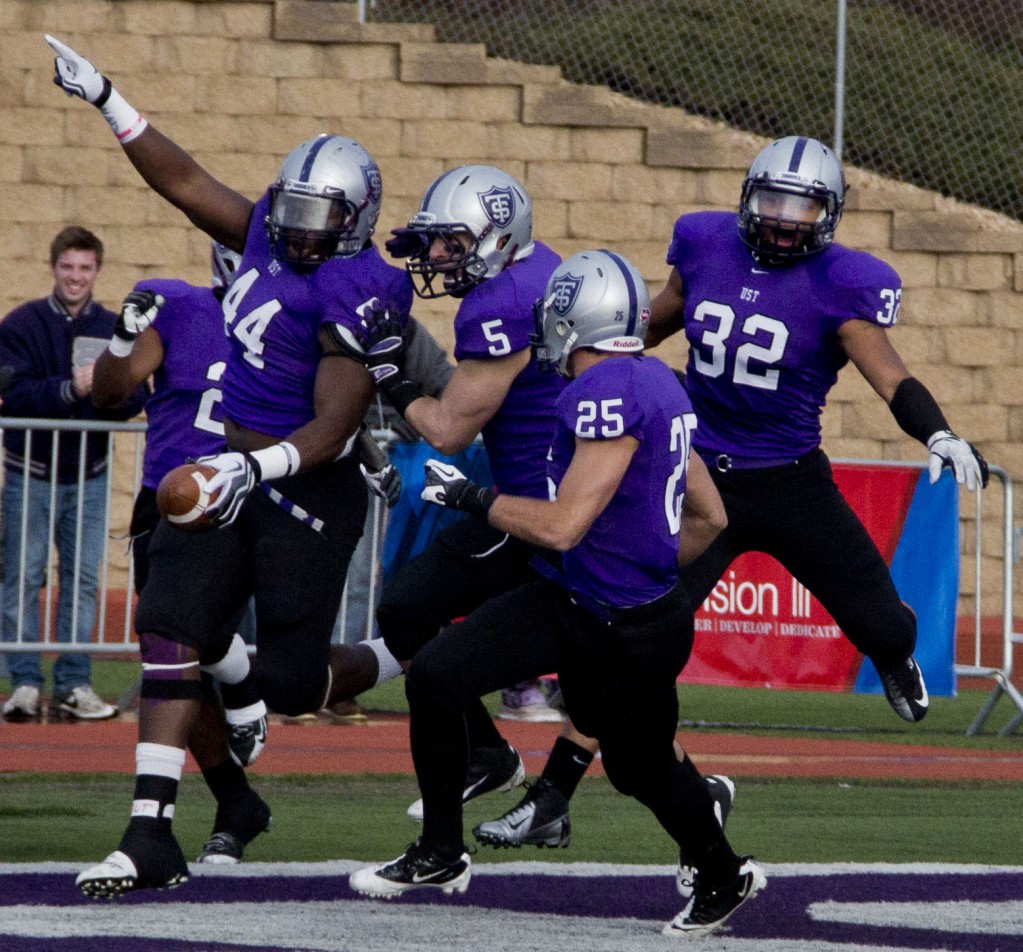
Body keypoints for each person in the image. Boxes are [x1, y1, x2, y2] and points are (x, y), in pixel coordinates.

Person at [476, 135, 990, 853]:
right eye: (771, 201)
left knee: (880, 623)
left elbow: (889, 374)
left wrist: (935, 433)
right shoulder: (703, 241)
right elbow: (647, 326)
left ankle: (893, 651)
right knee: (624, 639)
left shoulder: (845, 281)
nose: (782, 220)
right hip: (695, 477)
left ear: (829, 215)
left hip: (788, 483)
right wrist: (581, 359)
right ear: (747, 196)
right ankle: (552, 795)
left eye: (800, 207)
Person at [46, 35, 406, 897]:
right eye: (293, 209)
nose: (297, 229)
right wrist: (108, 97)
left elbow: (333, 424)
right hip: (227, 469)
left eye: (320, 217)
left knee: (290, 683)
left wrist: (257, 470)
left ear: (353, 222)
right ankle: (149, 834)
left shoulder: (361, 287)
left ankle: (409, 647)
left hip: (304, 483)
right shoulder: (268, 236)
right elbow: (183, 179)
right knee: (171, 627)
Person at [350, 250, 766, 937]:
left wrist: (474, 498)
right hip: (576, 600)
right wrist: (647, 564)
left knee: (641, 769)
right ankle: (439, 852)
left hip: (617, 626)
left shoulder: (600, 395)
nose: (544, 334)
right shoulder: (657, 383)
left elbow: (564, 526)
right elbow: (708, 517)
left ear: (577, 323)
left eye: (553, 322)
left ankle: (724, 874)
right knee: (436, 676)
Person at [336, 163, 567, 821]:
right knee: (408, 604)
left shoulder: (500, 303)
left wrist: (387, 370)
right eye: (435, 242)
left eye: (453, 244)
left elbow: (444, 430)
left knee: (622, 709)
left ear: (497, 238)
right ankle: (486, 756)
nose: (437, 257)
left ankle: (698, 804)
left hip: (543, 513)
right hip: (516, 499)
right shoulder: (537, 265)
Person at [91, 241, 273, 865]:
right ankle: (234, 796)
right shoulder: (180, 306)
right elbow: (109, 394)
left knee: (182, 643)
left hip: (246, 501)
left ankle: (243, 689)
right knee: (171, 652)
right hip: (167, 504)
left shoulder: (298, 323)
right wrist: (120, 338)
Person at [0, 226, 148, 723]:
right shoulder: (21, 324)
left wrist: (105, 389)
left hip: (90, 472)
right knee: (23, 575)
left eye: (85, 268)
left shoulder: (114, 328)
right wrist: (69, 389)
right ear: (54, 268)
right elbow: (13, 393)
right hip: (31, 473)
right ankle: (23, 682)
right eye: (68, 267)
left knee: (83, 580)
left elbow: (137, 395)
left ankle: (73, 683)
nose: (76, 277)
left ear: (97, 272)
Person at [324, 317, 454, 723]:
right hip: (317, 459)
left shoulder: (403, 329)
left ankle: (337, 684)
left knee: (364, 575)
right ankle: (303, 679)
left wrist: (403, 415)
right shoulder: (317, 324)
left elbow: (446, 387)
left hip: (384, 464)